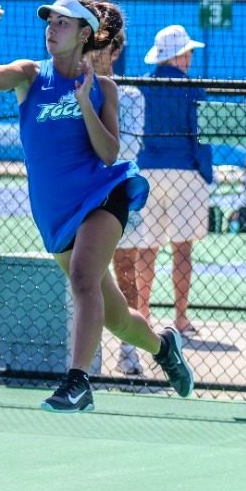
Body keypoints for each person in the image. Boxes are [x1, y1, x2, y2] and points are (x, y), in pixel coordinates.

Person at [0, 0, 195, 413]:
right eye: (50, 22)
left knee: (81, 280)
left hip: (102, 196)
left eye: (62, 23)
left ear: (83, 34)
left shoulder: (104, 88)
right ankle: (164, 346)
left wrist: (84, 104)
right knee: (119, 320)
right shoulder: (29, 75)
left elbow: (109, 153)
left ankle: (77, 384)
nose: (51, 29)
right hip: (56, 215)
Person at [123, 25, 213, 339]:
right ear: (178, 55)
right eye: (187, 52)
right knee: (182, 249)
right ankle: (181, 318)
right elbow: (202, 138)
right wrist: (205, 173)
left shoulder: (141, 87)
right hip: (186, 173)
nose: (190, 57)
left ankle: (143, 314)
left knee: (146, 248)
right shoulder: (193, 88)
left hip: (146, 172)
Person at [87, 28, 146, 375]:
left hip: (119, 195)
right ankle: (85, 359)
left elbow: (126, 149)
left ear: (116, 51)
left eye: (103, 48)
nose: (96, 54)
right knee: (85, 278)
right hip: (83, 197)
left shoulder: (133, 96)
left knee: (125, 273)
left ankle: (129, 350)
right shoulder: (73, 91)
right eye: (91, 47)